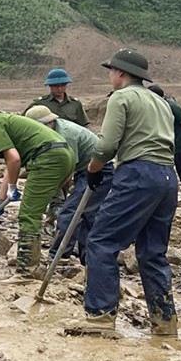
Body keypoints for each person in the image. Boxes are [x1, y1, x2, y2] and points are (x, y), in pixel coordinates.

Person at [69, 49, 179, 338]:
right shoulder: (161, 101)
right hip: (167, 177)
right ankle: (165, 322)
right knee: (153, 253)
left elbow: (106, 146)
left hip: (138, 173)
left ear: (120, 73)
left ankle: (100, 317)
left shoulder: (121, 97)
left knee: (102, 241)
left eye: (111, 71)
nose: (110, 76)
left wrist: (93, 169)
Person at [0, 104, 74, 277]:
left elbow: (14, 160)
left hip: (47, 158)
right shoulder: (4, 121)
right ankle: (37, 263)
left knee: (28, 214)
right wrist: (0, 199)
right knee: (35, 209)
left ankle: (27, 271)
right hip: (64, 156)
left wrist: (13, 188)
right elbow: (9, 165)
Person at [24, 105, 114, 268]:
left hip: (99, 170)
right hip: (85, 170)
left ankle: (58, 256)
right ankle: (87, 258)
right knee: (87, 213)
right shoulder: (51, 132)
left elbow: (67, 170)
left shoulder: (65, 135)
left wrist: (55, 190)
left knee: (70, 212)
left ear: (49, 123)